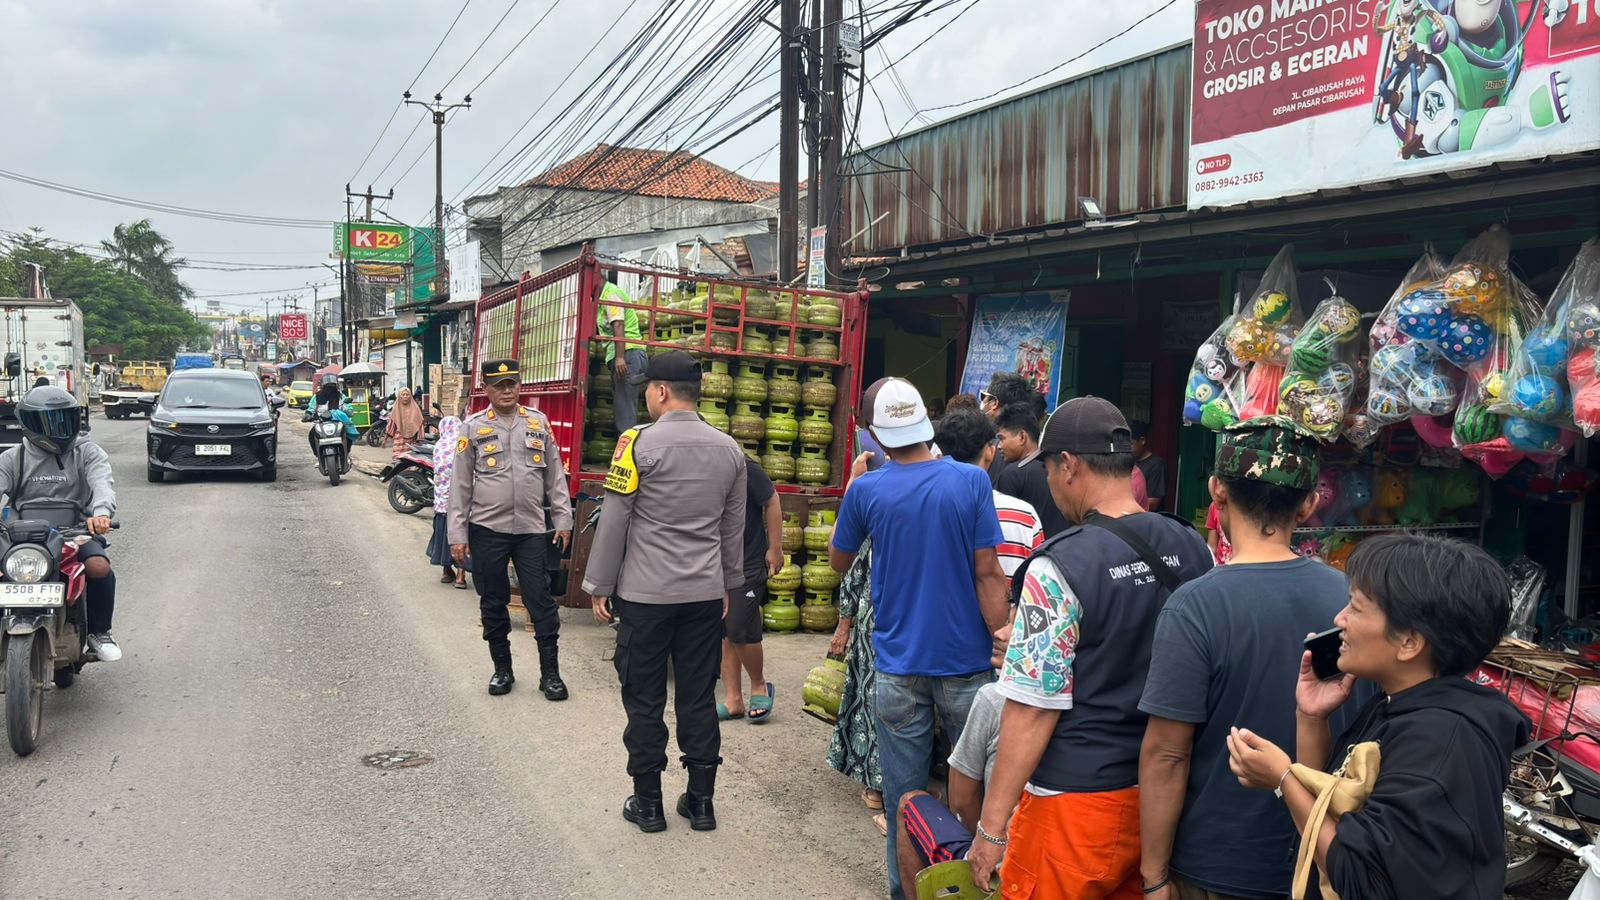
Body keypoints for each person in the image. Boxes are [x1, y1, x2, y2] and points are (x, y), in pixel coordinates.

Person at [967, 396, 1213, 899]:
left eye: (1051, 473)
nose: (1052, 486)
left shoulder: (1058, 567)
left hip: (1076, 809)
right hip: (1168, 803)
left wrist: (991, 830)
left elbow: (1032, 710)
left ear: (1070, 466)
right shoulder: (1193, 546)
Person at [1226, 533, 1529, 900]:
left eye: (1355, 607)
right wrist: (1311, 718)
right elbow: (1335, 801)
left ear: (1409, 643)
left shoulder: (1440, 741)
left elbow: (1364, 879)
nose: (1340, 619)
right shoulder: (1396, 703)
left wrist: (1283, 780)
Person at [1138, 419, 1366, 900]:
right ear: (1309, 504)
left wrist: (1154, 876)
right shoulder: (1354, 599)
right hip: (1332, 857)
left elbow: (1166, 754)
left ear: (1216, 490)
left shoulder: (1194, 606)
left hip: (1218, 862)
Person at [829, 376, 1010, 900]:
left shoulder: (868, 489)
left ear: (877, 436)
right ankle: (983, 888)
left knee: (904, 800)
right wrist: (1002, 635)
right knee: (975, 794)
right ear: (926, 426)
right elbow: (987, 572)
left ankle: (906, 893)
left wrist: (857, 494)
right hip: (967, 663)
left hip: (897, 666)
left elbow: (840, 562)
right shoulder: (971, 483)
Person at [585, 350, 746, 835]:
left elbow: (615, 519)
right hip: (702, 596)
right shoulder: (730, 449)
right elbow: (732, 529)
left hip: (645, 596)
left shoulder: (635, 444)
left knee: (644, 698)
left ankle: (649, 804)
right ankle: (701, 804)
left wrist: (599, 584)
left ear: (659, 392)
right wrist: (728, 585)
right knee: (697, 697)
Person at [447, 359, 573, 700]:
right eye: (499, 385)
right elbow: (459, 486)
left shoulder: (538, 422)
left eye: (513, 384)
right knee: (493, 600)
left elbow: (555, 476)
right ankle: (502, 670)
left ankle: (551, 675)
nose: (507, 390)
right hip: (487, 529)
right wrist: (457, 535)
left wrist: (563, 519)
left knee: (542, 601)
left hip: (531, 529)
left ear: (520, 386)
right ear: (485, 389)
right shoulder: (472, 428)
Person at [0, 387, 121, 660]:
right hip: (21, 537)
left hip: (76, 530)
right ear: (29, 424)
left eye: (65, 419)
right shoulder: (12, 458)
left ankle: (99, 632)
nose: (60, 428)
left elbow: (102, 483)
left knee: (98, 567)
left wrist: (101, 513)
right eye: (49, 421)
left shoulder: (87, 452)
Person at [897, 679, 1006, 883]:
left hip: (1002, 872)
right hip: (1061, 872)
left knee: (909, 804)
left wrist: (986, 841)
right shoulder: (1080, 719)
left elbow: (961, 803)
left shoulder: (995, 698)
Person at [935, 407, 1043, 578]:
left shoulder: (923, 509)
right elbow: (1037, 578)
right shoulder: (1025, 515)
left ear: (940, 455)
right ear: (989, 452)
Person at [720, 457, 783, 722]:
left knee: (739, 626)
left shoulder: (743, 466)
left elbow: (771, 500)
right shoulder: (694, 466)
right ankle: (733, 699)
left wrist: (775, 547)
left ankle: (759, 684)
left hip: (747, 561)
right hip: (715, 562)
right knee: (724, 629)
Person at [827, 542, 884, 827]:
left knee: (872, 699)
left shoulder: (875, 505)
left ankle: (878, 787)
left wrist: (843, 625)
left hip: (876, 616)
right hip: (917, 618)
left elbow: (851, 568)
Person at [992, 402, 1071, 539]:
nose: (999, 446)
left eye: (1002, 439)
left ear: (1022, 437)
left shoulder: (1012, 474)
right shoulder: (1061, 469)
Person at [597, 272, 647, 433]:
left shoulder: (610, 294)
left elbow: (618, 324)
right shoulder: (602, 298)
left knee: (624, 413)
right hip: (626, 354)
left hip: (628, 355)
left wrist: (620, 358)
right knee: (622, 408)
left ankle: (628, 455)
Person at [425, 415, 469, 589]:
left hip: (442, 503)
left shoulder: (439, 446)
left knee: (443, 536)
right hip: (461, 505)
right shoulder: (463, 445)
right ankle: (460, 576)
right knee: (461, 537)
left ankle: (445, 571)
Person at [305, 374, 356, 463]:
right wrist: (308, 414)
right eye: (327, 386)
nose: (330, 388)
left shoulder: (341, 396)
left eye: (332, 386)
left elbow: (347, 406)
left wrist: (349, 411)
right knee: (311, 436)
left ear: (336, 386)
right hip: (321, 423)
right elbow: (311, 408)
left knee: (348, 436)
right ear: (323, 386)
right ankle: (319, 456)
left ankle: (346, 454)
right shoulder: (317, 397)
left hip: (338, 423)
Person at [1131, 421, 1169, 512]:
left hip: (1146, 520)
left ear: (1142, 441)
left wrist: (1124, 506)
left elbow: (1153, 503)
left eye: (1130, 444)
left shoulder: (1156, 465)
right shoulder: (1127, 461)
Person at [386, 386, 425, 459]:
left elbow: (419, 423)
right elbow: (392, 422)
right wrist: (385, 439)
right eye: (403, 394)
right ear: (400, 396)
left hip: (411, 438)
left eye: (407, 395)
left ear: (410, 396)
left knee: (409, 459)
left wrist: (420, 438)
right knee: (397, 459)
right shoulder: (396, 407)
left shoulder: (415, 408)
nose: (405, 396)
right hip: (399, 437)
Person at [1205, 501, 1233, 565]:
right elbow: (1212, 547)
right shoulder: (1215, 506)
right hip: (1221, 567)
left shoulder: (1245, 506)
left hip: (1242, 567)